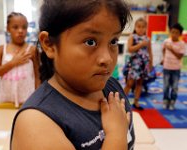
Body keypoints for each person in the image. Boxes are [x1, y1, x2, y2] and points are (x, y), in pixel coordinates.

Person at [10, 0, 135, 149]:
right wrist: (116, 134)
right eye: (90, 42)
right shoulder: (35, 123)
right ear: (49, 44)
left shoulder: (111, 87)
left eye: (113, 41)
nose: (107, 59)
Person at [0, 12, 40, 108]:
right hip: (5, 99)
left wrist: (37, 97)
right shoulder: (1, 49)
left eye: (24, 27)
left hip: (28, 99)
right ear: (8, 29)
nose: (20, 31)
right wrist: (13, 63)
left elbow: (38, 75)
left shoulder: (32, 50)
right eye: (15, 27)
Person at [123, 18, 153, 110]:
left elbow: (150, 52)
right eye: (138, 27)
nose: (141, 29)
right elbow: (130, 49)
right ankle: (122, 101)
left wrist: (151, 64)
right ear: (135, 27)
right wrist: (141, 44)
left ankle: (136, 101)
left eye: (143, 27)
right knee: (130, 83)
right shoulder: (132, 37)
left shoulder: (147, 39)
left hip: (143, 64)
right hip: (134, 64)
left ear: (146, 28)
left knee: (140, 83)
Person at [162, 23, 185, 110]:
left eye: (176, 33)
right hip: (166, 67)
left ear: (180, 34)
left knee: (174, 87)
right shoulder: (166, 41)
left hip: (176, 69)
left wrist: (171, 49)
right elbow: (163, 50)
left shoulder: (182, 44)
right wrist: (164, 58)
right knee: (166, 85)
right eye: (172, 32)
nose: (174, 34)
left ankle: (172, 101)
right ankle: (165, 100)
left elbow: (179, 56)